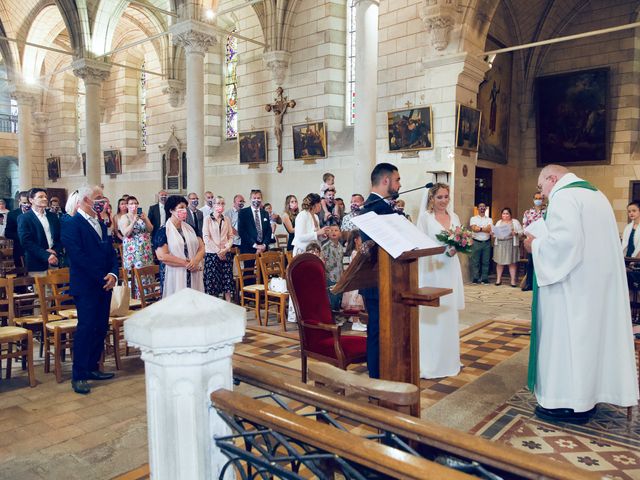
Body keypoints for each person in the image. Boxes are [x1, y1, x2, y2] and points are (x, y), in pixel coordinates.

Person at [523, 164, 638, 423]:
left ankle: (563, 403)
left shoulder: (565, 196)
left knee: (567, 342)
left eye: (542, 188)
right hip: (594, 286)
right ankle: (586, 398)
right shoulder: (596, 194)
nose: (542, 195)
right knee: (587, 343)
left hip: (569, 288)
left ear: (552, 179)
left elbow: (565, 244)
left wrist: (534, 244)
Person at [61, 185, 119, 395]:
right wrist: (101, 277)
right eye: (98, 198)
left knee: (100, 327)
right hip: (86, 285)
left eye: (102, 197)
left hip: (105, 284)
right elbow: (78, 257)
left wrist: (113, 274)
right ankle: (79, 375)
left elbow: (111, 253)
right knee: (86, 328)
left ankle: (93, 366)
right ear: (86, 200)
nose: (102, 201)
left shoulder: (102, 223)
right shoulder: (71, 224)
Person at [416, 183, 463, 379]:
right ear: (431, 199)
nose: (444, 201)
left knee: (449, 312)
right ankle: (430, 361)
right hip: (432, 268)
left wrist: (457, 247)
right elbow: (419, 243)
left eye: (446, 197)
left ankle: (449, 358)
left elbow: (461, 238)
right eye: (440, 197)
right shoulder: (426, 219)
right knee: (433, 313)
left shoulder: (455, 217)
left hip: (450, 268)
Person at [359, 162, 402, 378]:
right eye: (397, 180)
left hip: (391, 279)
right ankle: (376, 376)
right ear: (386, 181)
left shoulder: (384, 206)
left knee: (386, 329)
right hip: (377, 281)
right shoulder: (372, 208)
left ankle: (387, 369)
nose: (399, 184)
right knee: (377, 330)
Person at [153, 195, 205, 297]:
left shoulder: (191, 228)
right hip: (174, 273)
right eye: (181, 207)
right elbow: (162, 256)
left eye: (185, 207)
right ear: (171, 210)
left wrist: (196, 260)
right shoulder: (163, 231)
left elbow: (201, 247)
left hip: (192, 271)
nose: (184, 210)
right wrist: (187, 264)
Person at [17, 188, 62, 277]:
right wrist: (46, 255)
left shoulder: (52, 216)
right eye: (40, 197)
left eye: (45, 197)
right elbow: (26, 242)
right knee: (40, 290)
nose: (45, 199)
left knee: (55, 290)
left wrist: (54, 251)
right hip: (36, 262)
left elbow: (59, 237)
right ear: (31, 200)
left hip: (54, 259)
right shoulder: (24, 218)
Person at [118, 196, 154, 296]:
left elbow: (150, 229)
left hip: (145, 250)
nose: (134, 205)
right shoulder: (124, 217)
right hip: (133, 251)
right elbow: (126, 233)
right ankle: (136, 296)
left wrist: (145, 219)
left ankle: (148, 295)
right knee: (136, 273)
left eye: (135, 203)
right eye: (131, 203)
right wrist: (134, 221)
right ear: (127, 206)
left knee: (147, 271)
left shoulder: (142, 215)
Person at [202, 196, 234, 302]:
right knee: (212, 282)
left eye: (223, 203)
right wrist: (218, 251)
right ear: (214, 205)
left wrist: (226, 249)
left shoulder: (226, 219)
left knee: (227, 280)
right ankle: (213, 305)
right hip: (212, 254)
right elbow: (206, 238)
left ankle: (228, 303)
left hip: (225, 253)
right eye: (218, 203)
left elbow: (231, 236)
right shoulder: (207, 219)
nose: (220, 205)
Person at [341, 230, 367, 332]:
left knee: (358, 302)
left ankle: (357, 321)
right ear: (356, 240)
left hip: (359, 280)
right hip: (356, 281)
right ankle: (355, 323)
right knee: (355, 303)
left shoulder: (358, 252)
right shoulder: (355, 253)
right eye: (361, 239)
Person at [521, 193, 546, 291]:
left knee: (542, 263)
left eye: (540, 198)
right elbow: (524, 226)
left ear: (543, 200)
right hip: (531, 240)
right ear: (533, 199)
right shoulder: (528, 212)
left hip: (543, 240)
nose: (538, 200)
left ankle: (541, 284)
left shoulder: (546, 211)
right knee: (530, 262)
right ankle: (529, 284)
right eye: (536, 198)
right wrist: (528, 235)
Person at [492, 207, 523, 287]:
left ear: (510, 214)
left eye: (507, 213)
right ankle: (498, 279)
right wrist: (493, 233)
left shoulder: (515, 222)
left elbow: (521, 232)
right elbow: (495, 233)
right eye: (503, 213)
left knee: (511, 263)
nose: (505, 215)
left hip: (511, 244)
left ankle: (512, 281)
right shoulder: (499, 222)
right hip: (500, 244)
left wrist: (515, 233)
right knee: (499, 262)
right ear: (501, 215)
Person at [321, 223, 345, 311]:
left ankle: (338, 314)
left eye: (336, 230)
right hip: (330, 276)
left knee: (339, 296)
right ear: (327, 233)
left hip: (340, 275)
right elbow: (323, 262)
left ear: (340, 233)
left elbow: (341, 261)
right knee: (332, 297)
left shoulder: (341, 247)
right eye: (331, 230)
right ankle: (332, 317)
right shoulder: (325, 247)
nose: (333, 232)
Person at [469, 202, 493, 284]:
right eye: (480, 206)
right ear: (478, 208)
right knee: (475, 261)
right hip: (476, 242)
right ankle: (475, 278)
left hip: (486, 243)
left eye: (484, 206)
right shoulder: (473, 218)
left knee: (486, 261)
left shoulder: (489, 219)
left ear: (486, 208)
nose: (482, 208)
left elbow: (489, 229)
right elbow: (473, 228)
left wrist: (479, 228)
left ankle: (484, 278)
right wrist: (484, 229)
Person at [5, 191, 30, 267]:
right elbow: (8, 233)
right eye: (24, 202)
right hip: (20, 248)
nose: (27, 205)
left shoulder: (36, 213)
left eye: (29, 202)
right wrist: (22, 236)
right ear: (19, 201)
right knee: (21, 274)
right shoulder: (12, 214)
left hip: (35, 249)